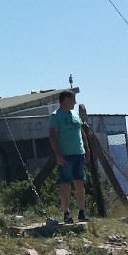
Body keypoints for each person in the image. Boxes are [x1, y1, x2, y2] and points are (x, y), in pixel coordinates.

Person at [48, 90, 87, 224]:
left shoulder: (75, 114)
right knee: (65, 184)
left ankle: (82, 212)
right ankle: (66, 213)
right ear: (65, 100)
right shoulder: (56, 116)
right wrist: (58, 154)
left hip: (79, 153)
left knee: (80, 182)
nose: (74, 103)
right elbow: (52, 135)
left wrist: (87, 149)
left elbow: (81, 131)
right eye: (72, 100)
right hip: (65, 155)